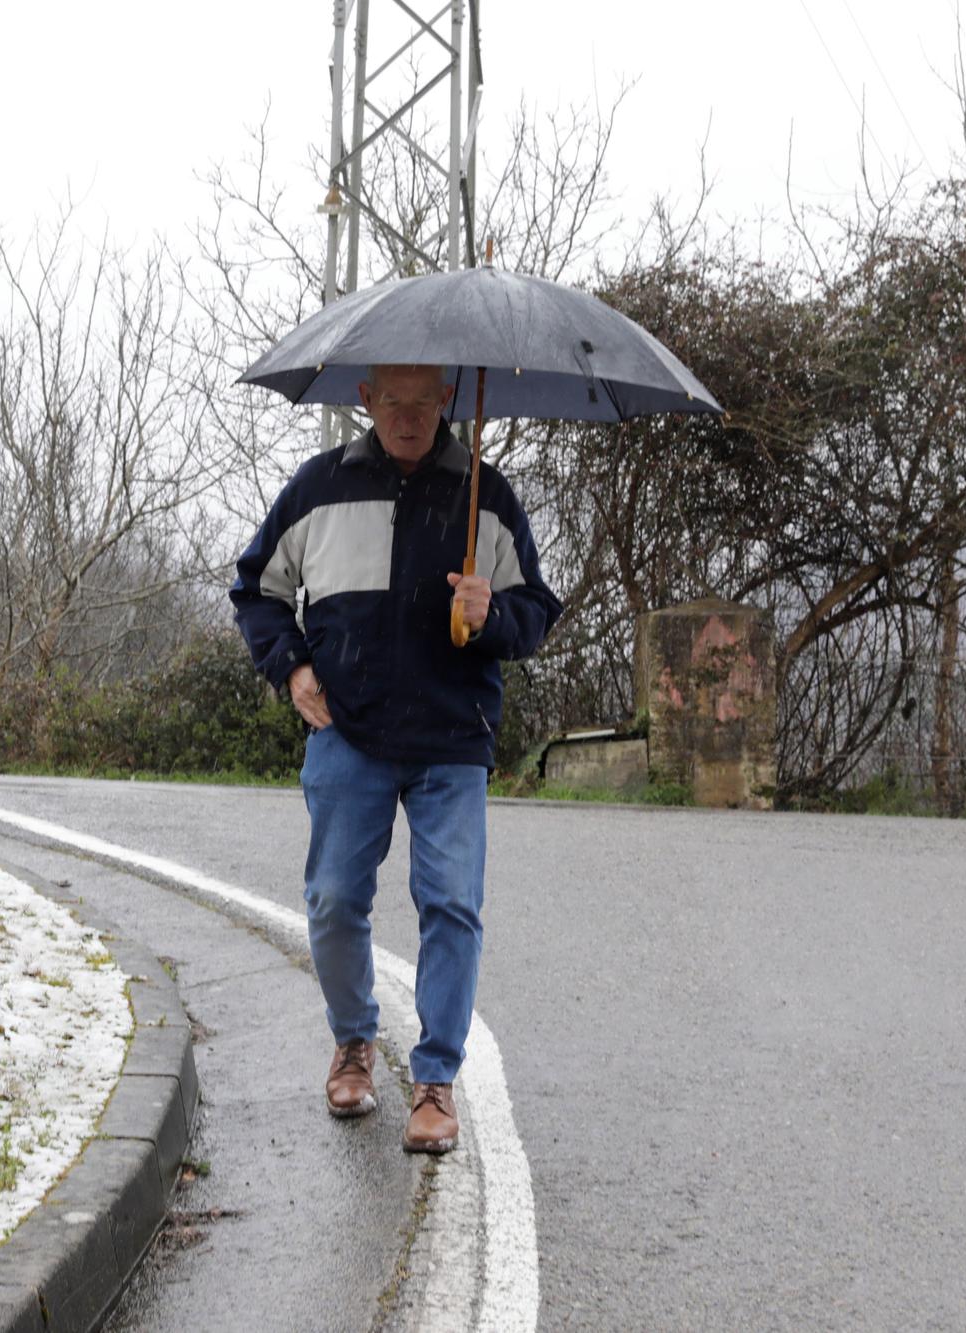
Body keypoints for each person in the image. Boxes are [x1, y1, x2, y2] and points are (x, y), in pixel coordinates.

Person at [230, 363, 562, 1154]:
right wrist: (294, 667)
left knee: (451, 902)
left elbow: (536, 611)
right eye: (394, 402)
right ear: (365, 399)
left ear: (447, 399)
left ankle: (435, 1079)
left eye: (424, 402)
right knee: (334, 901)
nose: (409, 418)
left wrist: (492, 615)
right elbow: (257, 590)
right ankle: (353, 1041)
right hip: (349, 727)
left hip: (453, 736)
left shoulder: (487, 494)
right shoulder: (318, 488)